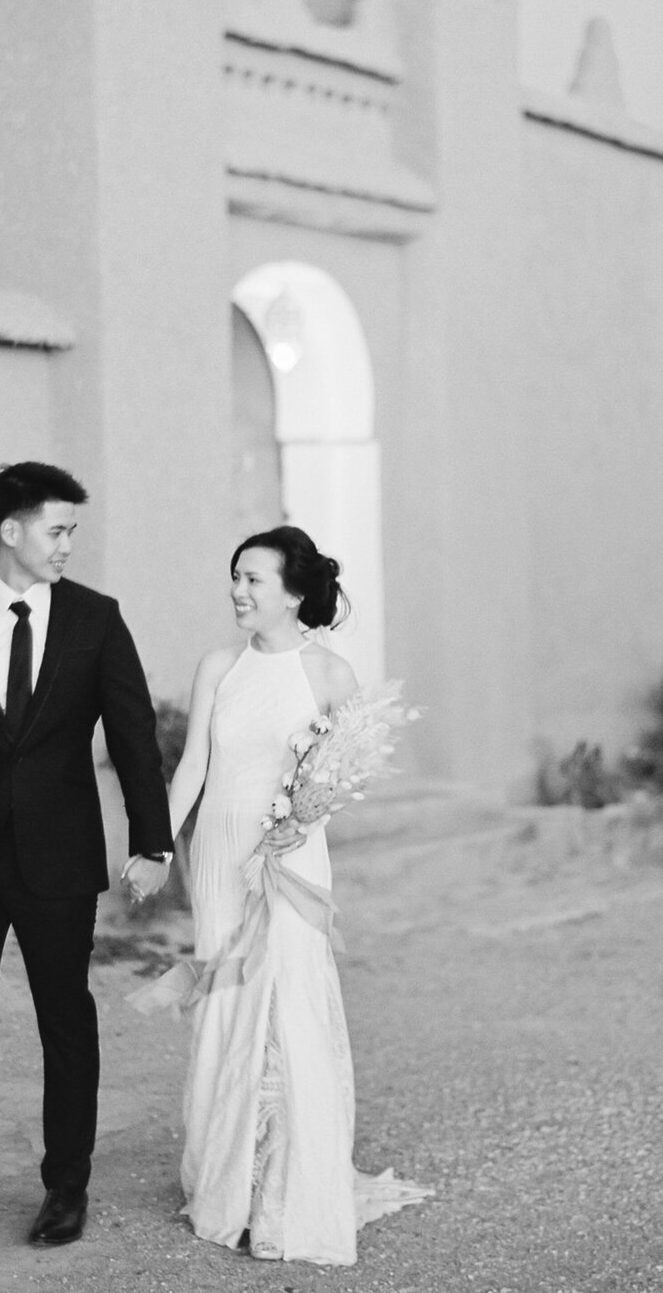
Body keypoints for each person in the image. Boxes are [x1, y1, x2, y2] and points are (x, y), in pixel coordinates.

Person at [0, 462, 174, 1260]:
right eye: (57, 531)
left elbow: (132, 736)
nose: (67, 547)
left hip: (57, 860)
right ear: (10, 529)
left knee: (65, 1024)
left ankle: (66, 1188)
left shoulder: (95, 617)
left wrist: (151, 841)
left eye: (71, 533)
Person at [159, 525, 427, 1265]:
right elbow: (191, 768)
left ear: (294, 592)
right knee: (227, 998)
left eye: (254, 578)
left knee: (285, 998)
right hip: (219, 852)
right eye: (235, 575)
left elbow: (339, 776)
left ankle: (286, 1187)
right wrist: (157, 843)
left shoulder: (330, 674)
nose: (238, 590)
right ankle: (229, 1179)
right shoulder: (219, 664)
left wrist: (301, 819)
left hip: (289, 857)